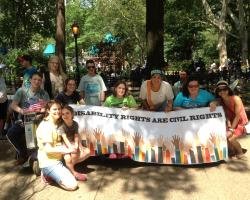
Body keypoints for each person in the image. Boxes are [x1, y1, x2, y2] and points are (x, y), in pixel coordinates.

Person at [6, 72, 50, 165]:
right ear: (30, 80)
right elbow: (13, 105)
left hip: (39, 120)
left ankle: (40, 157)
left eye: (39, 80)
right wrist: (22, 111)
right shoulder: (22, 91)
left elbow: (47, 108)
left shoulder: (44, 93)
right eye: (35, 79)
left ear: (41, 81)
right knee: (11, 133)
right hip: (24, 119)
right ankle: (23, 154)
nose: (37, 81)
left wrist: (42, 112)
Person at [36, 100, 78, 191]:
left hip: (60, 157)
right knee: (73, 185)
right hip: (50, 162)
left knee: (82, 153)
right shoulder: (46, 126)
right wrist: (66, 150)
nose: (58, 111)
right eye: (54, 109)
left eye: (59, 109)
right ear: (48, 110)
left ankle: (60, 171)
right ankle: (45, 173)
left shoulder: (58, 122)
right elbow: (48, 149)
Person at [215, 80, 248, 158]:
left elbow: (238, 116)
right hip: (231, 121)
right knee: (222, 134)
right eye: (220, 90)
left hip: (240, 122)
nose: (222, 91)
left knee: (231, 137)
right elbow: (226, 115)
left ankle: (240, 153)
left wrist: (231, 130)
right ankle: (232, 150)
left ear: (228, 90)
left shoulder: (236, 99)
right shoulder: (221, 101)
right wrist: (229, 124)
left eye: (224, 89)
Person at [58, 105, 90, 181]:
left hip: (72, 142)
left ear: (72, 114)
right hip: (65, 144)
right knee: (70, 157)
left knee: (87, 151)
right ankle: (73, 171)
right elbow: (64, 138)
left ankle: (70, 166)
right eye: (63, 114)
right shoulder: (61, 126)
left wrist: (77, 144)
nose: (65, 115)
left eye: (67, 113)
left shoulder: (75, 123)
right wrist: (71, 148)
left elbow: (76, 135)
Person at [0, 71, 8, 137]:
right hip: (2, 100)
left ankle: (1, 131)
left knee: (2, 117)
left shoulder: (2, 78)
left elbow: (4, 90)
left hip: (3, 100)